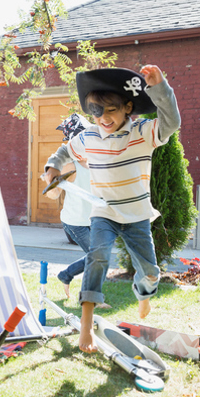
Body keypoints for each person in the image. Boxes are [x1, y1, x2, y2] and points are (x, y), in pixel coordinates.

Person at [43, 65, 181, 354]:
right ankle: (86, 326)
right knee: (98, 257)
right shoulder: (88, 137)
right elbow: (65, 150)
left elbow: (170, 122)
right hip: (104, 211)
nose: (103, 118)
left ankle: (144, 293)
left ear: (128, 107)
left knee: (150, 271)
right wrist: (52, 166)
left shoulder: (143, 132)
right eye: (96, 112)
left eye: (111, 111)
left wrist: (160, 88)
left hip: (137, 214)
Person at [51, 114, 111, 309]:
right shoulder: (71, 165)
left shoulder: (95, 161)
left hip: (92, 218)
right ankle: (92, 299)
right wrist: (51, 181)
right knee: (98, 257)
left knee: (100, 256)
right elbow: (54, 193)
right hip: (74, 221)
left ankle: (66, 275)